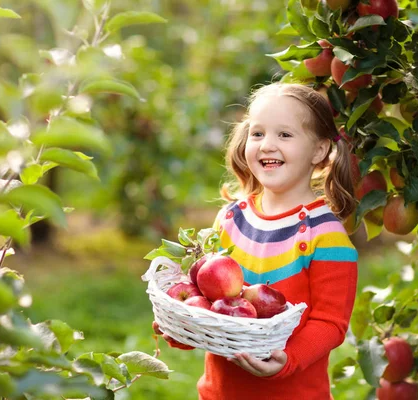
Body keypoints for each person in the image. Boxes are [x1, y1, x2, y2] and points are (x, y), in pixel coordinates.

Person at [154, 82, 359, 399]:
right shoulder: (231, 219)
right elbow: (211, 304)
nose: (267, 145)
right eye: (258, 133)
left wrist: (287, 361)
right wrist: (185, 327)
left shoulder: (326, 235)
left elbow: (330, 323)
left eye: (285, 135)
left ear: (319, 149)